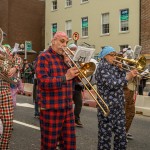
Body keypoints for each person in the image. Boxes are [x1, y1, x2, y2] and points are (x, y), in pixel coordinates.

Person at [35, 31, 79, 150]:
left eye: (66, 42)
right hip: (51, 108)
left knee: (70, 144)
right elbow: (43, 82)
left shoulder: (66, 58)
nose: (65, 45)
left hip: (67, 107)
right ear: (53, 41)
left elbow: (78, 80)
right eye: (62, 41)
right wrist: (65, 77)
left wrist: (71, 64)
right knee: (49, 145)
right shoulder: (44, 57)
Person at [95, 46, 138, 150]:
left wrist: (122, 71)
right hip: (107, 107)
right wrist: (128, 77)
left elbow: (123, 83)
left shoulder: (114, 66)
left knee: (121, 135)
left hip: (119, 106)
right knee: (105, 137)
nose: (115, 57)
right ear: (105, 56)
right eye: (112, 55)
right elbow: (112, 84)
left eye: (115, 55)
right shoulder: (101, 67)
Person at [0, 44, 22, 149]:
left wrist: (15, 68)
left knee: (8, 125)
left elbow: (19, 59)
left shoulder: (5, 49)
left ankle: (3, 147)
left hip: (4, 91)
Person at [68, 43, 84, 127]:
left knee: (79, 103)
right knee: (68, 104)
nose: (74, 51)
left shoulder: (78, 60)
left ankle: (76, 118)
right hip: (69, 85)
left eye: (75, 49)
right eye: (72, 49)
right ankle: (69, 119)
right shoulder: (66, 59)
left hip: (77, 85)